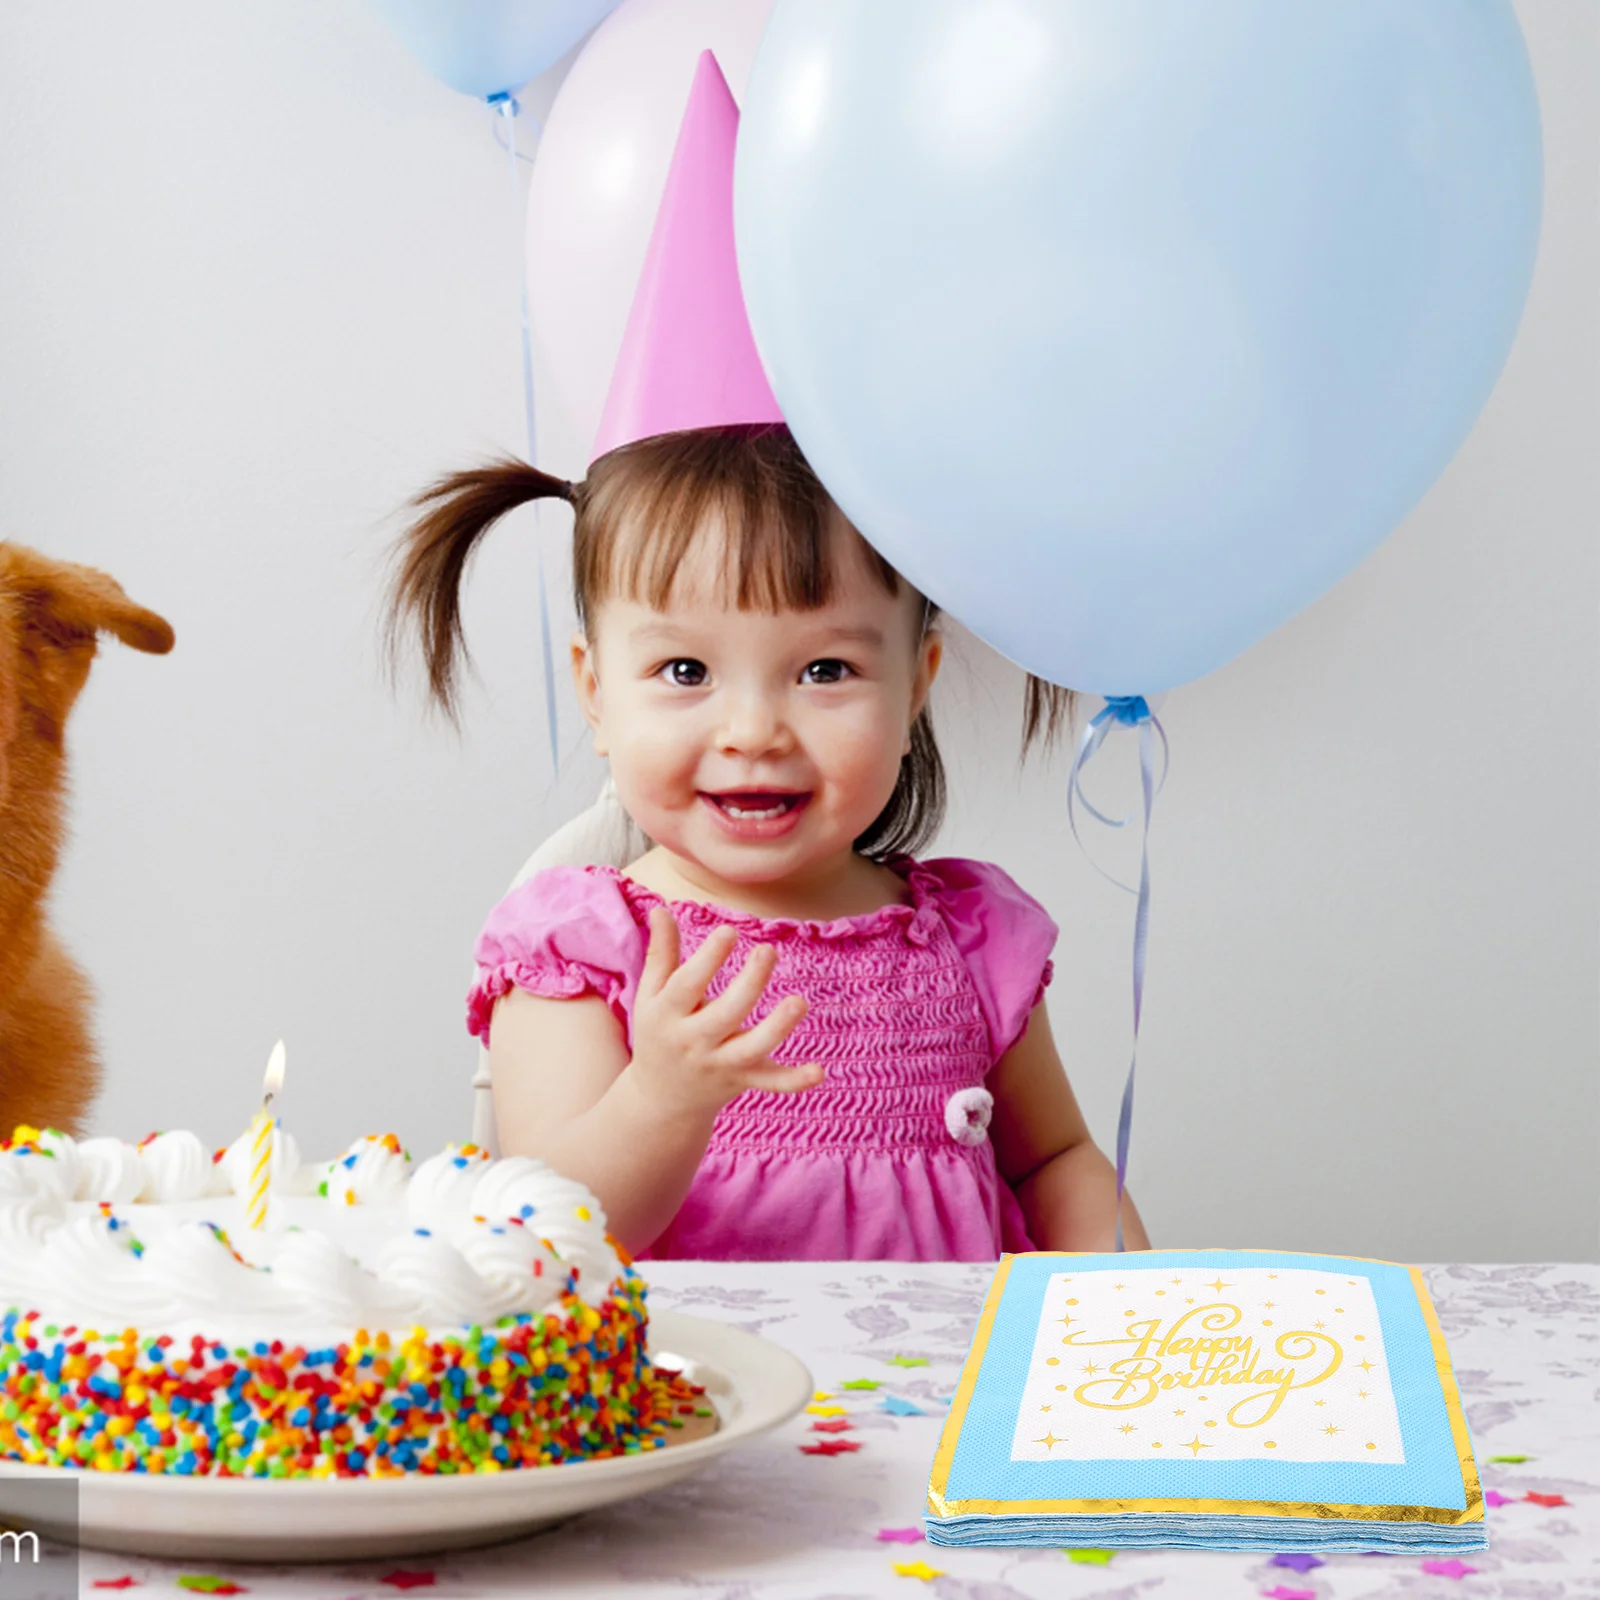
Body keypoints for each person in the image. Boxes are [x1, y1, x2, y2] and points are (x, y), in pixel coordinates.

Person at [383, 52, 1149, 1262]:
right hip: (686, 1434)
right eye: (684, 672)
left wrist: (1108, 1305)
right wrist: (661, 1098)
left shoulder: (964, 943)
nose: (753, 729)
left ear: (917, 688)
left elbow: (1053, 1159)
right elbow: (535, 1237)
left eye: (824, 670)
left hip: (941, 1425)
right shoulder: (587, 948)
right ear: (595, 691)